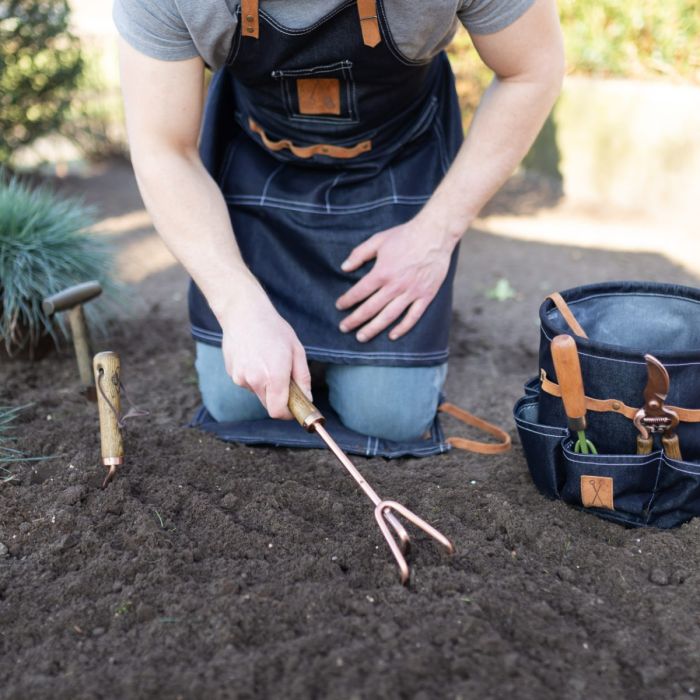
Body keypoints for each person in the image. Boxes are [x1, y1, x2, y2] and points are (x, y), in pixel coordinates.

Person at [115, 0, 564, 443]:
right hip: (257, 162)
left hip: (395, 161)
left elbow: (532, 70)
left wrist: (436, 233)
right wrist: (237, 303)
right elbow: (163, 150)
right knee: (236, 405)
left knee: (389, 416)